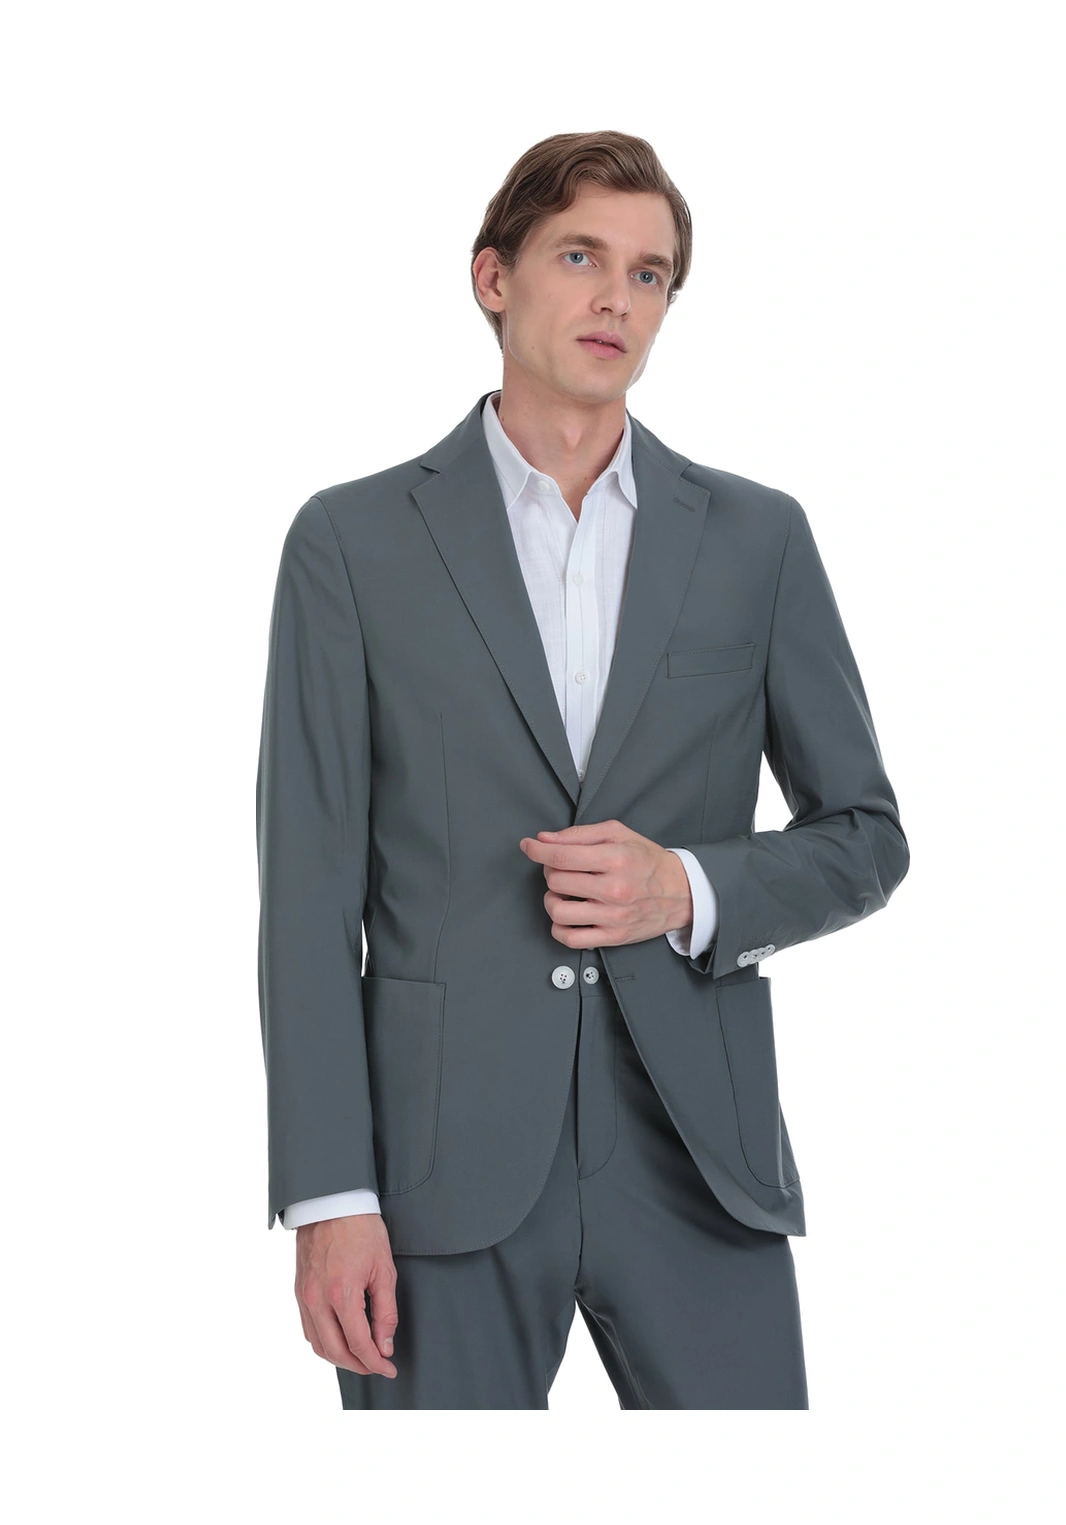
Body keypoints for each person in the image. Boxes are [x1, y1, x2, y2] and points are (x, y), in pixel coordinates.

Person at [255, 129, 909, 1410]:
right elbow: (307, 892)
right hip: (438, 1168)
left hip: (696, 1158)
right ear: (492, 277)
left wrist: (687, 888)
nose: (617, 297)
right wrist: (329, 1193)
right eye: (579, 257)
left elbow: (865, 834)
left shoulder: (757, 538)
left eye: (648, 273)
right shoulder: (349, 542)